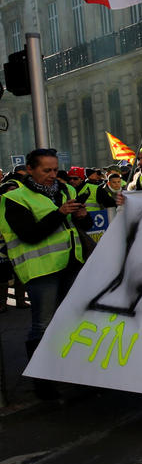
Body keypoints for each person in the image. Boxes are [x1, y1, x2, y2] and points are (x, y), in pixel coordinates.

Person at [0, 148, 91, 399]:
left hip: (72, 264)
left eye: (54, 169)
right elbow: (29, 235)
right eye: (46, 170)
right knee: (43, 324)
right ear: (30, 170)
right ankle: (43, 381)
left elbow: (82, 226)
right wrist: (60, 213)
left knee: (72, 322)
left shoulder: (67, 191)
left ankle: (75, 375)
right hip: (42, 271)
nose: (53, 175)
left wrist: (83, 216)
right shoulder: (15, 198)